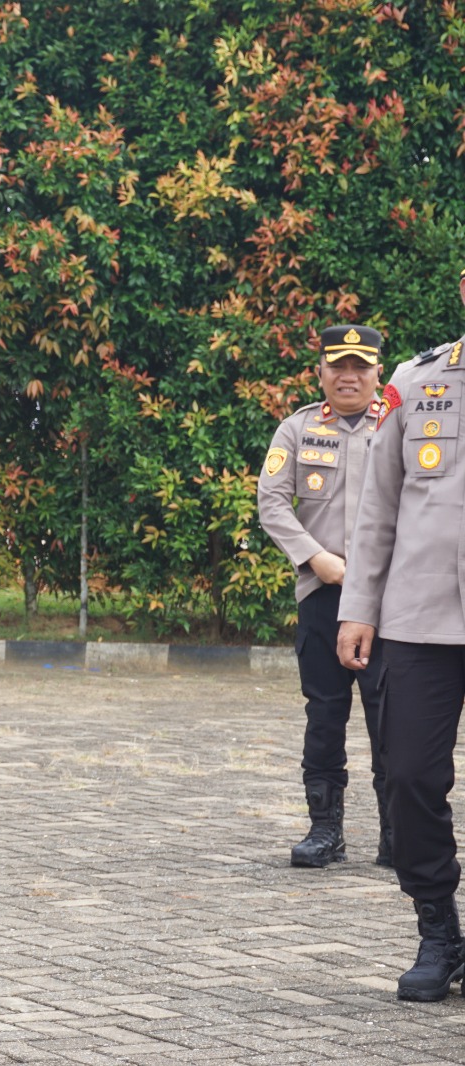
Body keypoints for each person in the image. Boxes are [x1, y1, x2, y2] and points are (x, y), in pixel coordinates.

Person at [338, 285, 465, 1002]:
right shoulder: (416, 382)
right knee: (410, 776)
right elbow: (379, 504)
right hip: (419, 619)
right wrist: (359, 607)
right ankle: (438, 931)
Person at [257, 325, 387, 868]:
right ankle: (325, 830)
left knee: (395, 719)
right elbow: (273, 504)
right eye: (339, 366)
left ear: (379, 370)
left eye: (361, 366)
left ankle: (401, 835)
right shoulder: (298, 428)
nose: (349, 376)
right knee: (325, 716)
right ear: (321, 372)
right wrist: (317, 559)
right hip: (322, 595)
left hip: (388, 601)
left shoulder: (402, 425)